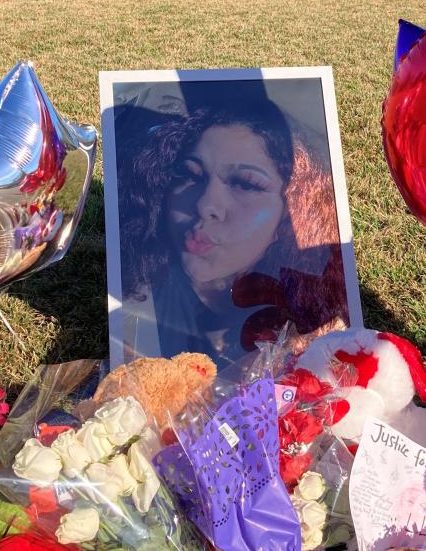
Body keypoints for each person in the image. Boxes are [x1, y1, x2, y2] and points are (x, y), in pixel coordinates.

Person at [117, 96, 347, 362]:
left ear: (292, 215)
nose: (205, 205)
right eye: (190, 174)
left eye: (246, 184)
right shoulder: (134, 299)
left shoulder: (314, 319)